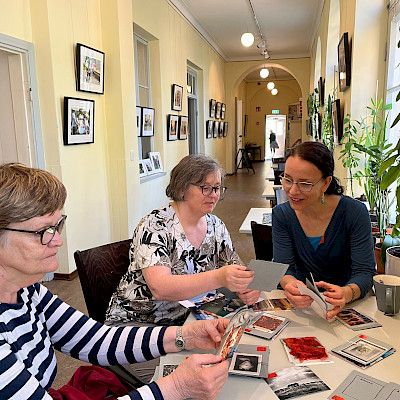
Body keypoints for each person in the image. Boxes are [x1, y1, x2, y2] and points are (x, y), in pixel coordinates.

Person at [0, 163, 229, 400]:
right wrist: (175, 387)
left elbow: (96, 340)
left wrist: (185, 336)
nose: (57, 240)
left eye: (58, 225)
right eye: (43, 231)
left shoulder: (28, 291)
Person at [106, 154, 259, 327]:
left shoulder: (216, 226)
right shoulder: (155, 226)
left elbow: (235, 268)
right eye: (205, 188)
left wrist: (245, 288)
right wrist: (219, 277)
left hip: (189, 315)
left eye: (217, 188)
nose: (214, 195)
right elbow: (160, 288)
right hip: (142, 321)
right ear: (181, 188)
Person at [272, 142, 375, 319]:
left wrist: (347, 292)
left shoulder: (354, 213)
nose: (293, 191)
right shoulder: (282, 215)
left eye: (305, 184)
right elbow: (284, 267)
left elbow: (365, 272)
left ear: (326, 183)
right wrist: (290, 285)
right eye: (287, 179)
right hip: (302, 312)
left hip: (348, 310)